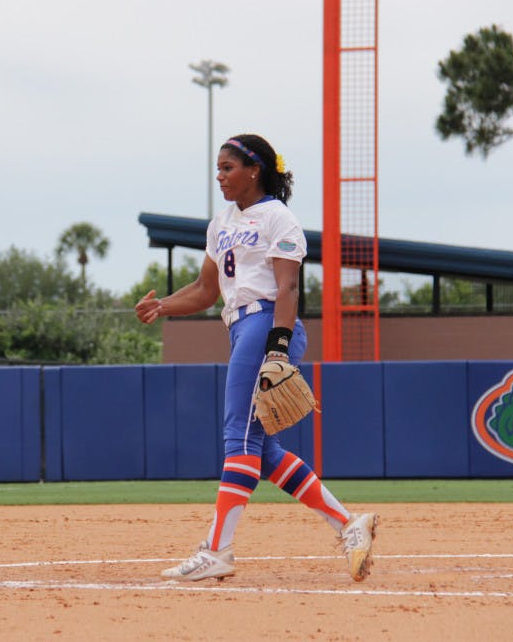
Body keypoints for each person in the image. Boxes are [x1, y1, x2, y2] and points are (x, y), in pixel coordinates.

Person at [135, 133, 378, 583]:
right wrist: (162, 305)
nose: (220, 175)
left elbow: (286, 288)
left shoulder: (278, 218)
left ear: (254, 171)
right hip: (240, 327)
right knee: (262, 452)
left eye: (228, 167)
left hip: (267, 325)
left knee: (238, 436)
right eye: (218, 168)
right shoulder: (221, 222)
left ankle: (217, 551)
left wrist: (278, 348)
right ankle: (349, 525)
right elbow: (207, 291)